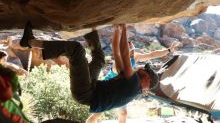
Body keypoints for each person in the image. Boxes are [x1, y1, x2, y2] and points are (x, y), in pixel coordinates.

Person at [19, 23, 159, 117]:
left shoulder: (134, 84)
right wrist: (118, 30)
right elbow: (117, 52)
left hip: (85, 93)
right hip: (92, 87)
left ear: (148, 80)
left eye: (145, 71)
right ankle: (87, 29)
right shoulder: (131, 84)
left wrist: (124, 28)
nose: (142, 68)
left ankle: (30, 41)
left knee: (76, 50)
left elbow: (124, 53)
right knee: (99, 59)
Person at [86, 36, 181, 123]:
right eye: (128, 46)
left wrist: (169, 50)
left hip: (124, 88)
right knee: (97, 114)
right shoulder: (120, 60)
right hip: (110, 89)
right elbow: (119, 70)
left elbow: (152, 55)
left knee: (123, 114)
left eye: (131, 44)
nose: (131, 46)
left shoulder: (136, 56)